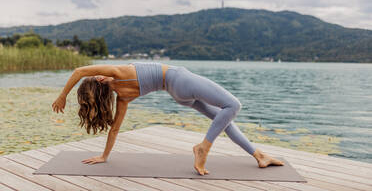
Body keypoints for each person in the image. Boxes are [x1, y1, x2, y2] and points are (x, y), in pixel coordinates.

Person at [52, 62, 284, 175]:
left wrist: (104, 156)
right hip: (178, 81)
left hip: (176, 94)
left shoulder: (122, 97)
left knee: (224, 119)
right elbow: (81, 71)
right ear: (100, 81)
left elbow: (114, 130)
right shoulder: (119, 72)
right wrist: (62, 96)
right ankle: (203, 148)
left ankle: (259, 155)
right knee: (233, 105)